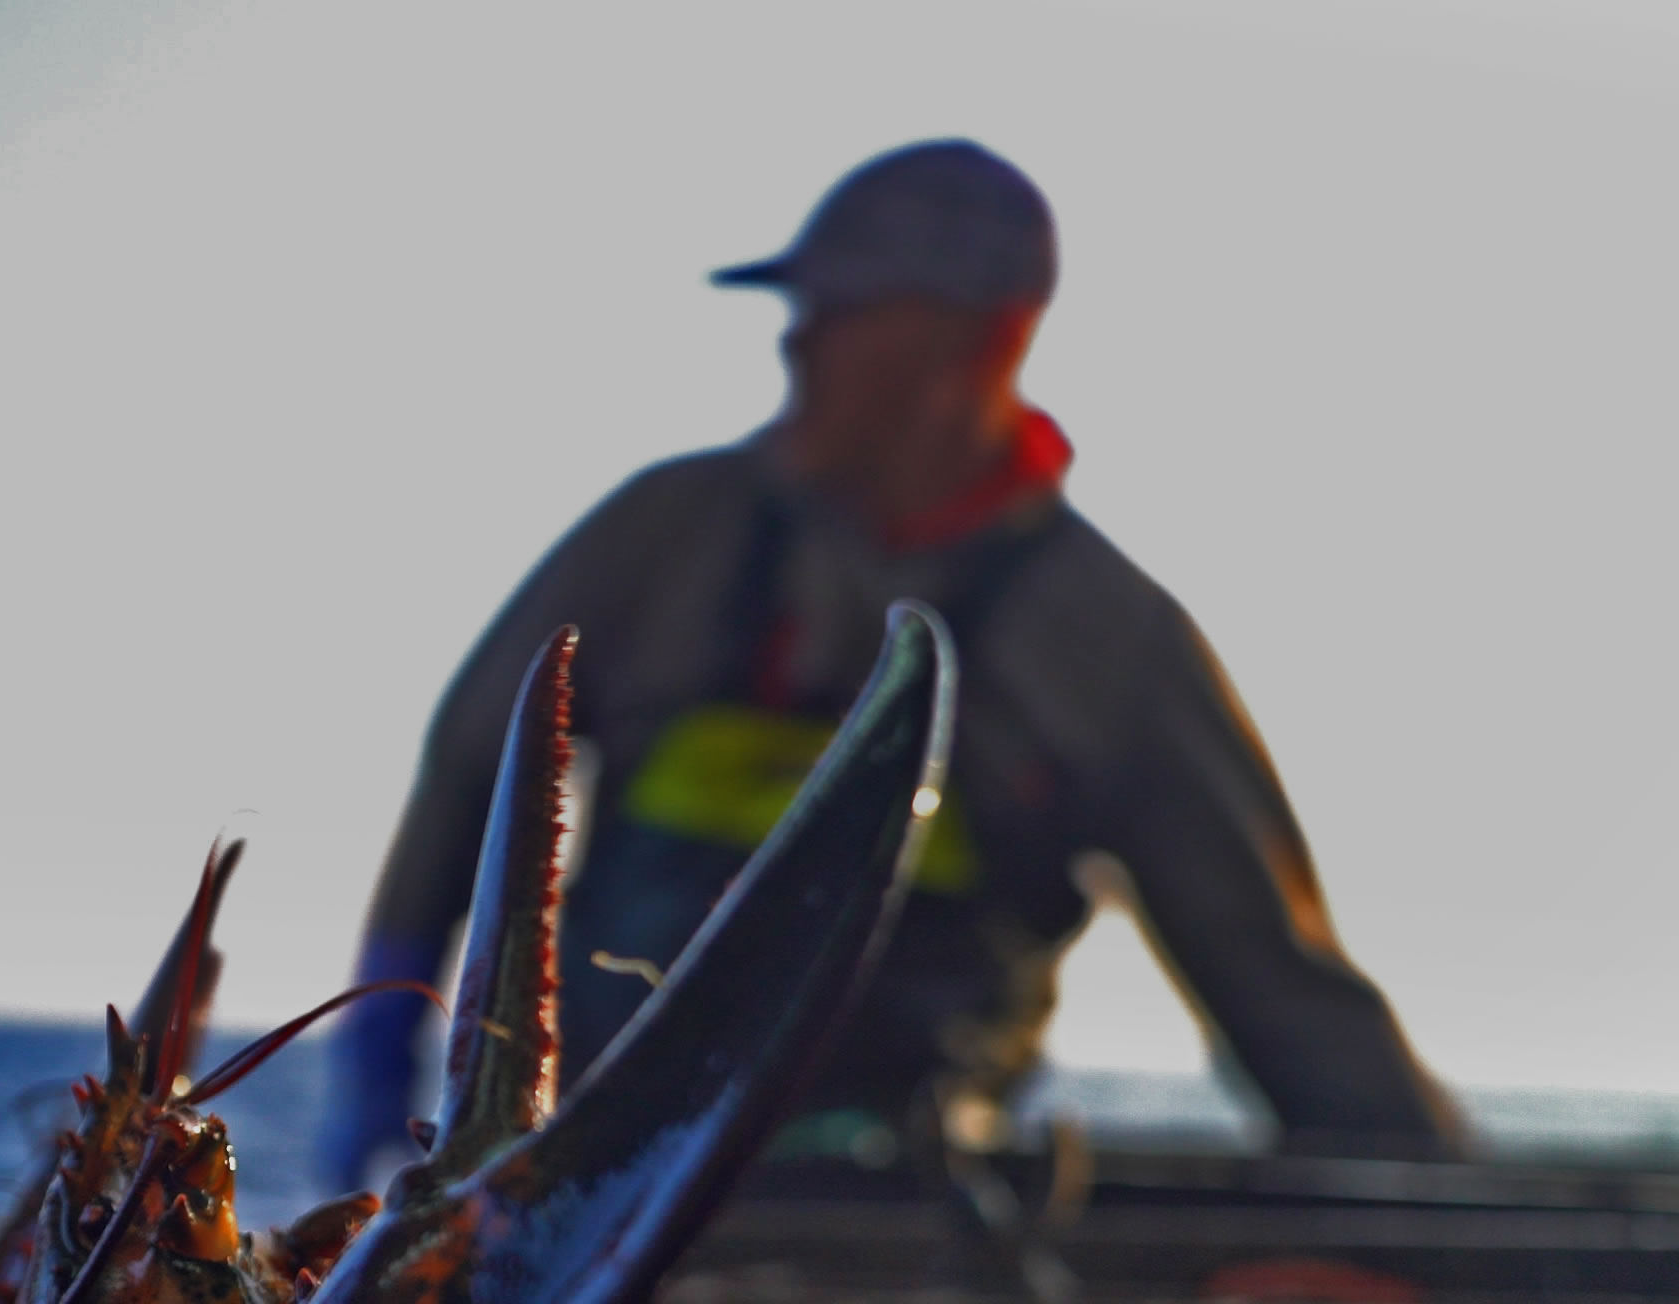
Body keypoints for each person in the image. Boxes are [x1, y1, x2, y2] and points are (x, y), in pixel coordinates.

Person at [319, 140, 1464, 1195]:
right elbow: (466, 779)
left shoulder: (1113, 639)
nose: (795, 336)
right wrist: (372, 1077)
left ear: (983, 336)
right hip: (588, 1191)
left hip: (905, 1217)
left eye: (838, 307)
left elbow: (1276, 974)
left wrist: (1416, 1208)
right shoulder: (666, 530)